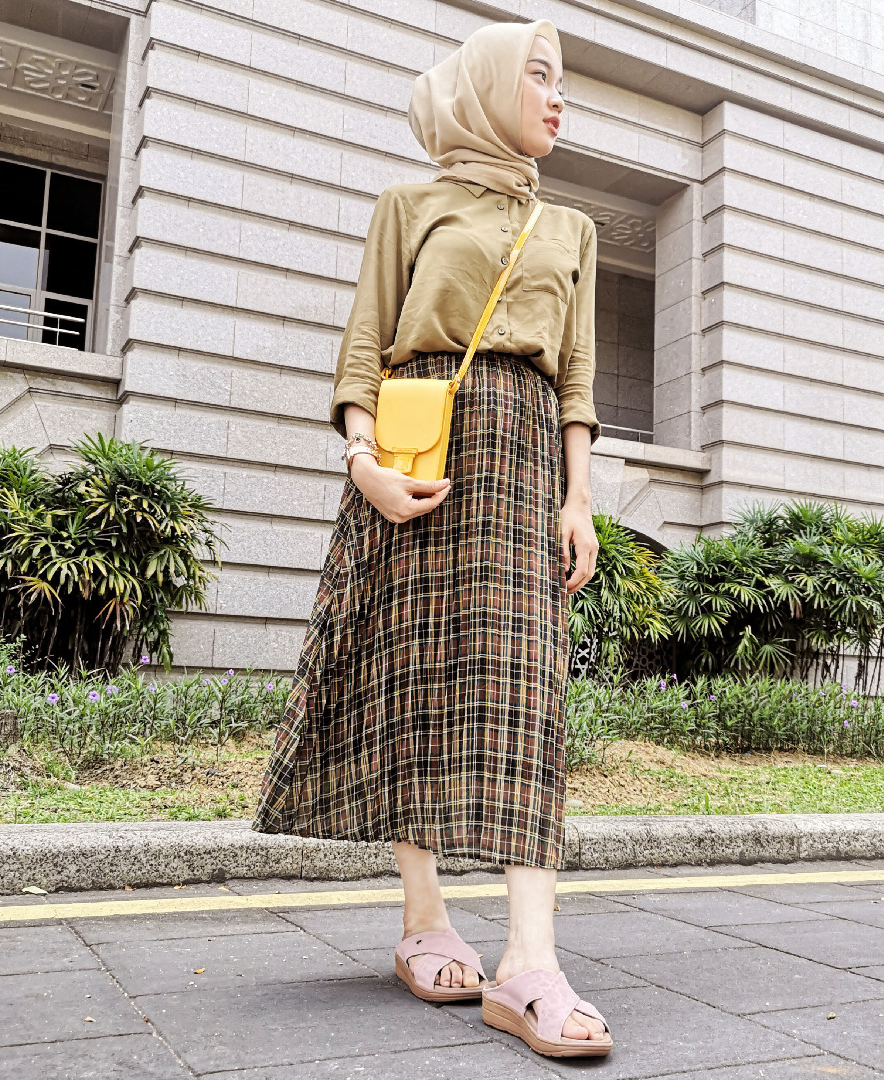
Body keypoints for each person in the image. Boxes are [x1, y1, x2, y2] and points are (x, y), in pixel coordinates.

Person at [253, 17, 611, 1059]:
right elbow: (365, 347)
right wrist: (363, 463)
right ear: (485, 89)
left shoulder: (572, 228)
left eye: (562, 81)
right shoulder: (408, 205)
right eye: (538, 76)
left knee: (524, 691)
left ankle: (530, 960)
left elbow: (577, 378)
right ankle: (425, 920)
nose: (557, 97)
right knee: (412, 677)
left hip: (525, 461)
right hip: (418, 458)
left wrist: (579, 498)